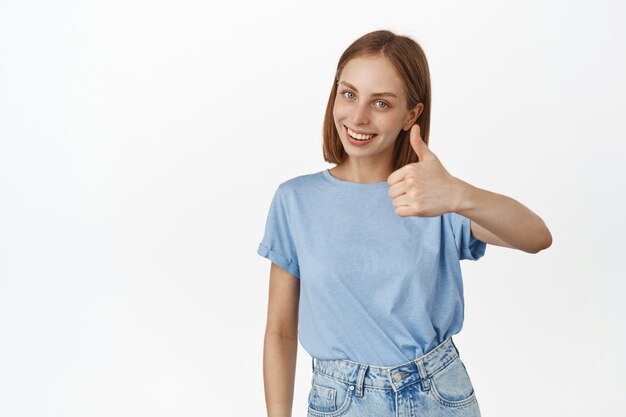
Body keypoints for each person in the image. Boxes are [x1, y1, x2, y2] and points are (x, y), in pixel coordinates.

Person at [257, 30, 552, 417]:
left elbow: (537, 237)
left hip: (438, 395)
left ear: (410, 115)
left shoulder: (432, 197)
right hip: (340, 401)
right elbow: (280, 329)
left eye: (381, 102)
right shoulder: (295, 201)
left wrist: (459, 194)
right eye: (348, 94)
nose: (358, 117)